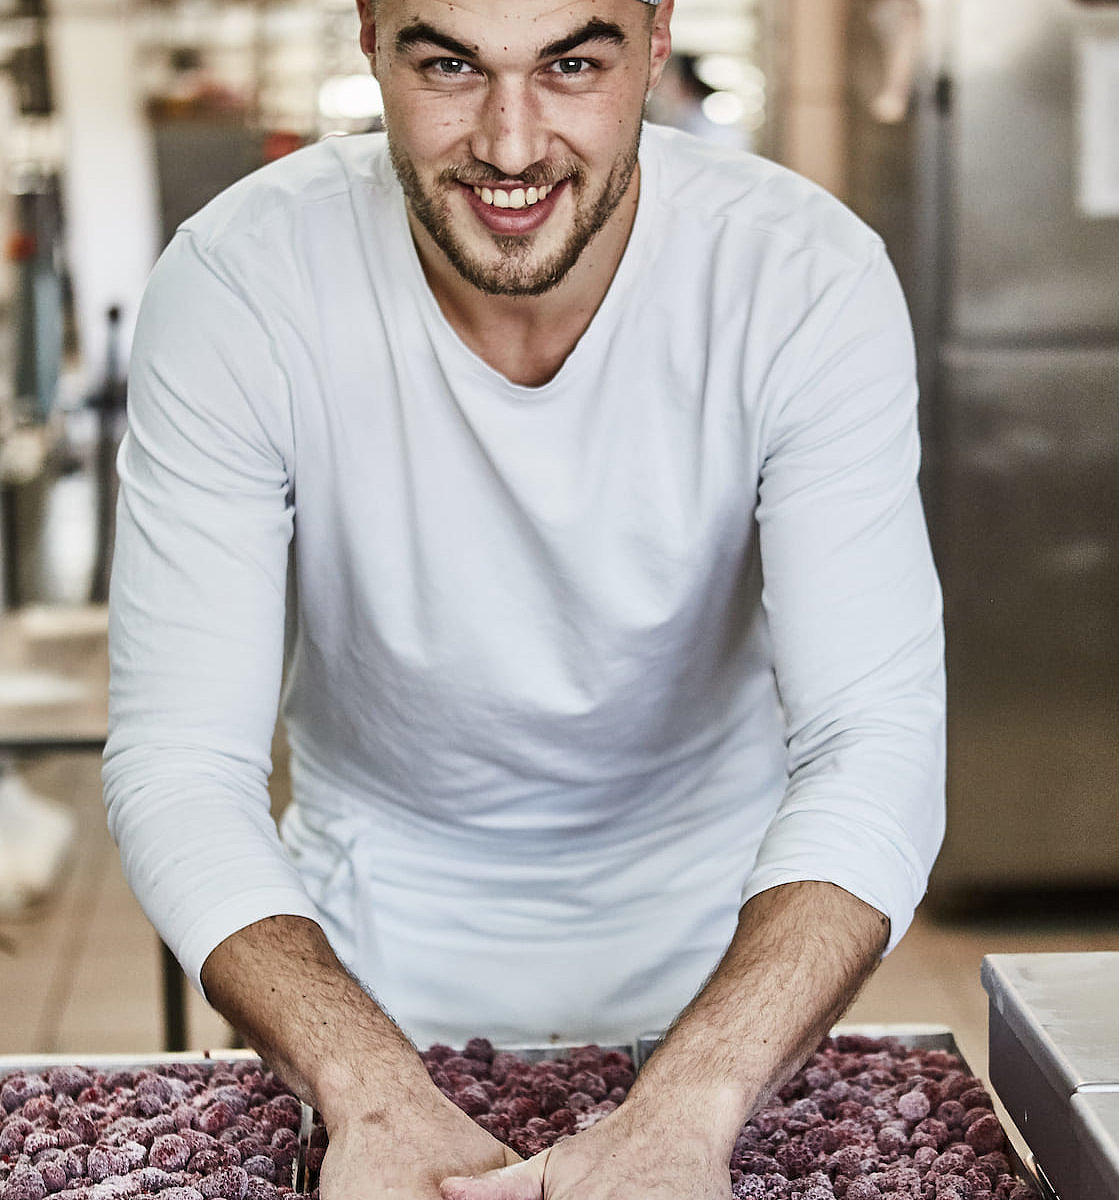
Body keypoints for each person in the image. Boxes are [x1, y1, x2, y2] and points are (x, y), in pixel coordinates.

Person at [102, 2, 946, 1200]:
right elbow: (182, 757)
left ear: (656, 41)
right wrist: (373, 1094)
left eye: (572, 65)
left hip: (731, 978)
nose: (509, 144)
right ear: (370, 39)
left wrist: (694, 1104)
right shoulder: (243, 283)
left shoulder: (801, 279)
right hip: (361, 971)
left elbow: (876, 735)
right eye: (449, 63)